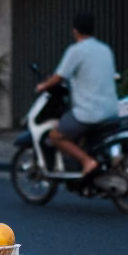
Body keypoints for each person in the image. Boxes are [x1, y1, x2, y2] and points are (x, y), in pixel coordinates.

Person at [34, 13, 119, 177]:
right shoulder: (105, 49)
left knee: (56, 136)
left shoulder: (76, 50)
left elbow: (59, 76)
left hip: (88, 113)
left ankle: (87, 162)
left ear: (75, 31)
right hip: (111, 111)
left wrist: (43, 86)